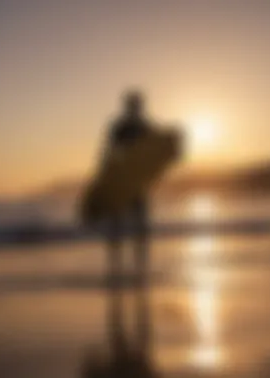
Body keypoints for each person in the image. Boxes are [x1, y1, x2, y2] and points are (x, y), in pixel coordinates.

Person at [102, 90, 155, 359]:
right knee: (126, 230)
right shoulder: (126, 127)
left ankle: (132, 274)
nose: (137, 108)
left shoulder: (134, 127)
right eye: (136, 104)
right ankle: (126, 273)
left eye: (136, 105)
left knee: (133, 231)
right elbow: (109, 154)